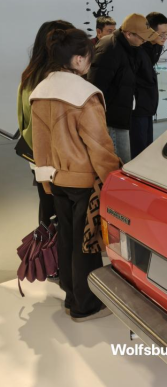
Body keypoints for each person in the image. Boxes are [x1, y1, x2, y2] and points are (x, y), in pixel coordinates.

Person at [30, 28, 120, 322]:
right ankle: (85, 305)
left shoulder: (41, 91)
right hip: (84, 182)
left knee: (67, 240)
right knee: (87, 245)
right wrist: (114, 178)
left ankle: (71, 296)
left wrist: (46, 181)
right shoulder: (84, 95)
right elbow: (99, 146)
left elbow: (40, 144)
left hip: (56, 180)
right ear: (79, 59)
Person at [18, 20, 74, 228]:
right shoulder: (53, 82)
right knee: (62, 215)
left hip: (37, 156)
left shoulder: (29, 76)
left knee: (48, 209)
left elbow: (23, 121)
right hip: (56, 159)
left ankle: (45, 246)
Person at [88, 13, 158, 162]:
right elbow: (96, 88)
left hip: (122, 116)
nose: (144, 40)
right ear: (128, 34)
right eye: (142, 37)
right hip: (112, 120)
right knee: (118, 164)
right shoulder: (110, 48)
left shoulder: (130, 47)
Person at [130, 12, 167, 159]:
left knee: (147, 146)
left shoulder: (156, 46)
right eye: (162, 34)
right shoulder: (138, 49)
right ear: (150, 32)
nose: (165, 37)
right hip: (138, 106)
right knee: (139, 150)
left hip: (149, 105)